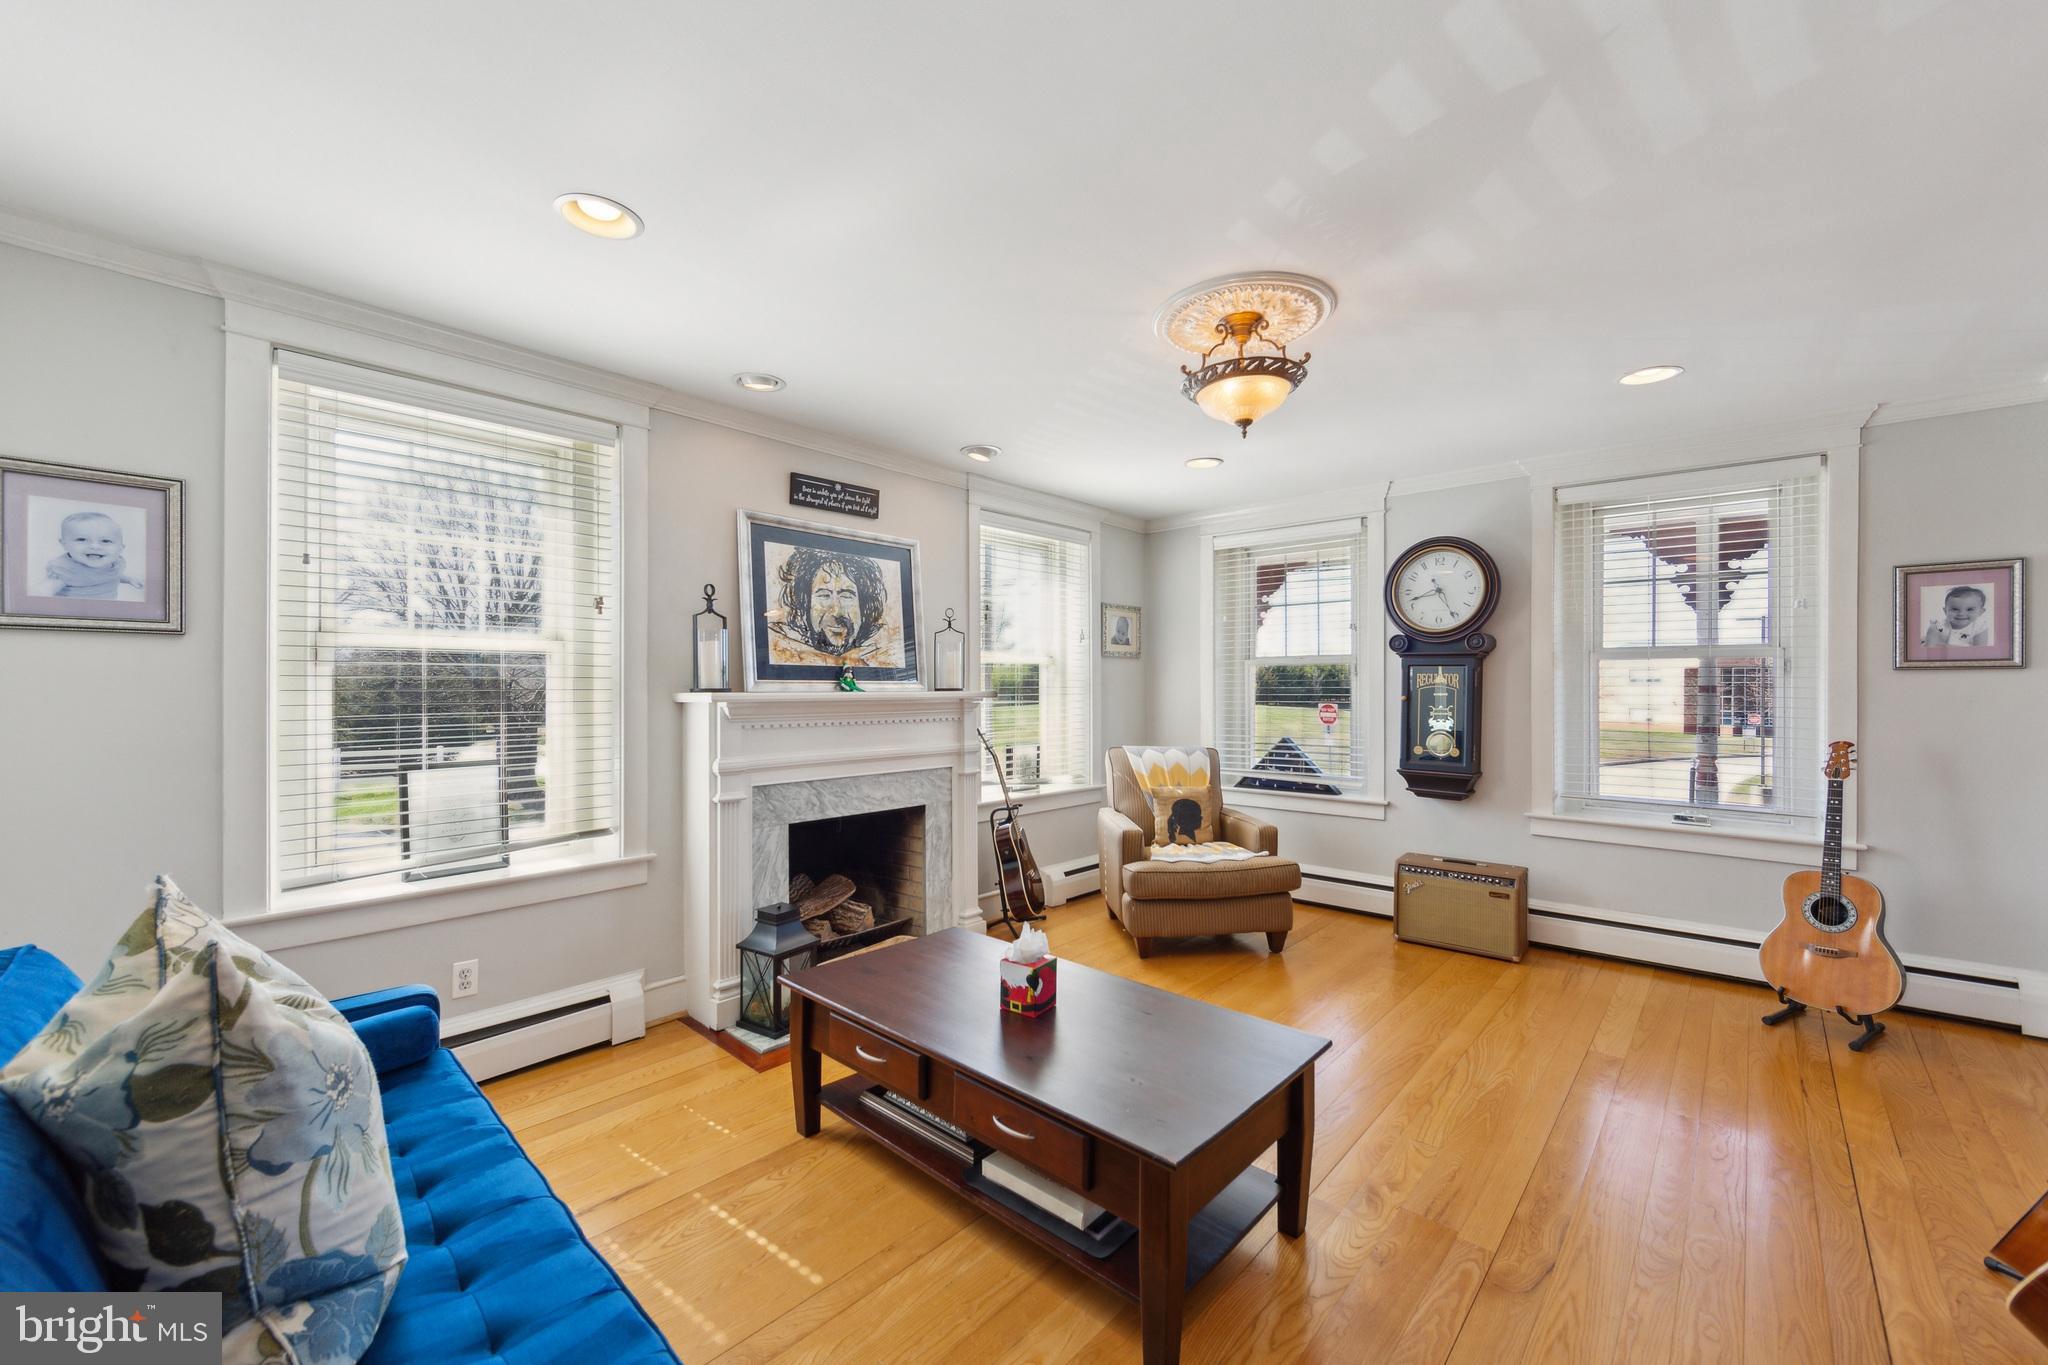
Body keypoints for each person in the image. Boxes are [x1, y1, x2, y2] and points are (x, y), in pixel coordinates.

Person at [767, 546, 896, 665]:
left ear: (864, 607)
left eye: (846, 596)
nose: (836, 611)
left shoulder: (887, 652)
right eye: (824, 595)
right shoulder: (780, 650)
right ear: (804, 604)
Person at [34, 510, 145, 601]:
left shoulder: (113, 563)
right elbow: (42, 592)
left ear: (121, 548)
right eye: (82, 539)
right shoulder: (66, 570)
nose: (95, 546)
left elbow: (109, 575)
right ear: (64, 544)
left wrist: (129, 580)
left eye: (106, 541)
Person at [1923, 584, 1993, 647]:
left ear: (1980, 612)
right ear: (1945, 611)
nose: (1961, 614)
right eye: (1955, 609)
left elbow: (1980, 650)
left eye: (1970, 609)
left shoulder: (1980, 627)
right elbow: (1929, 649)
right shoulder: (1938, 628)